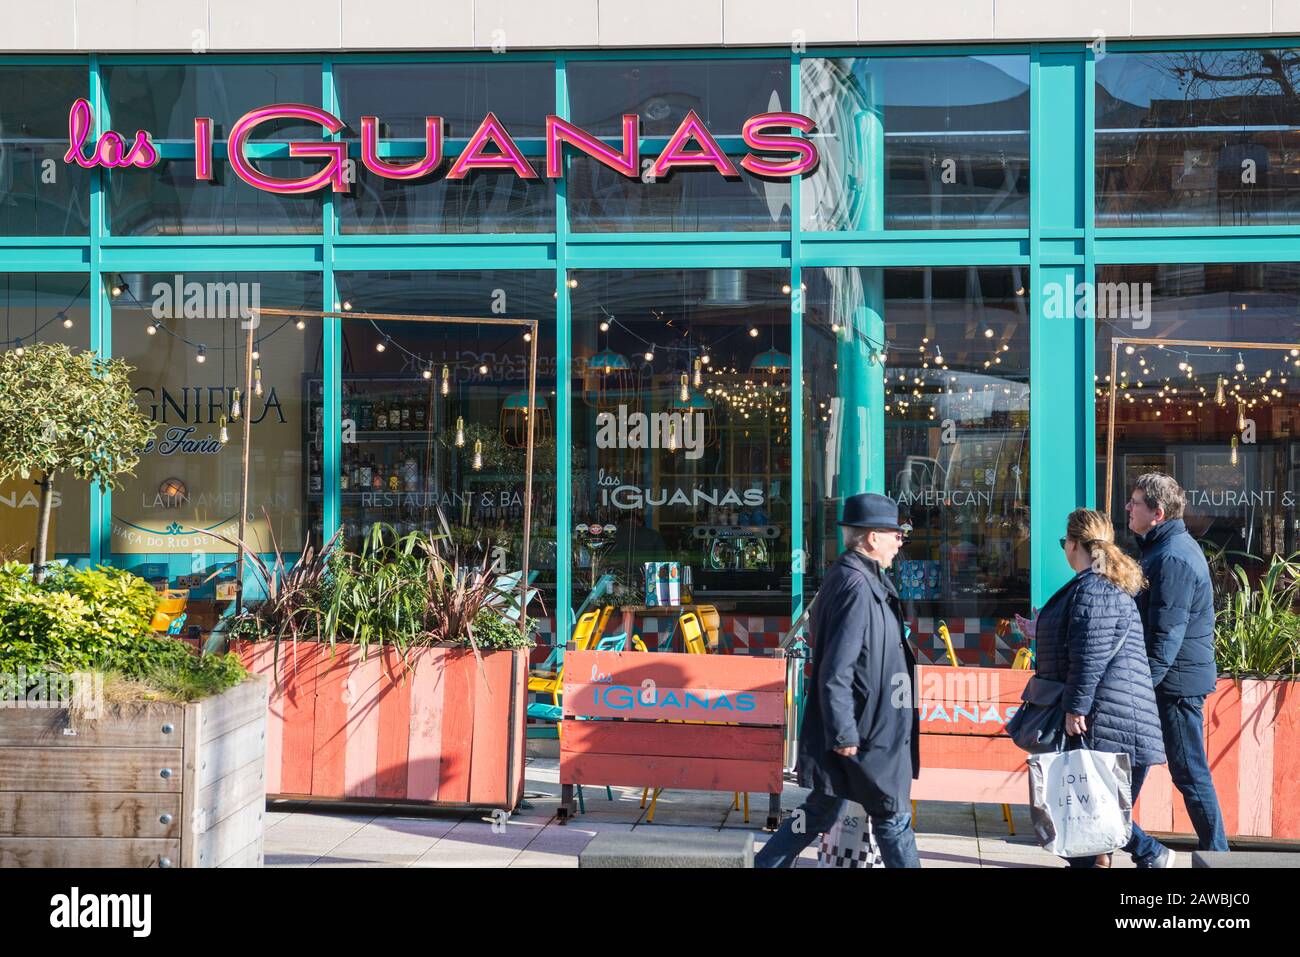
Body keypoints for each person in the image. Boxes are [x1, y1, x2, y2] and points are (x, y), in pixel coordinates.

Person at [756, 492, 921, 868]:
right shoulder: (856, 586)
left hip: (868, 727)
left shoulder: (863, 579)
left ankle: (764, 864)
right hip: (865, 732)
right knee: (893, 818)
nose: (900, 542)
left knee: (821, 810)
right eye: (895, 534)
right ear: (872, 537)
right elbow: (836, 668)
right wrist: (845, 733)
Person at [1035, 508, 1173, 868]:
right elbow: (1086, 642)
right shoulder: (1099, 586)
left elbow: (1090, 656)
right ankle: (1150, 854)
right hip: (1115, 722)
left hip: (1108, 725)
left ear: (1074, 544)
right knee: (1095, 826)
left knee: (1093, 821)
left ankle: (1153, 853)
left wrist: (1075, 708)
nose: (1065, 549)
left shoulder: (1095, 589)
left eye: (1064, 542)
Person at [1126, 473, 1229, 853]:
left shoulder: (1172, 557)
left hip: (1175, 685)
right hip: (1166, 681)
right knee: (1132, 765)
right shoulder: (1162, 549)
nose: (1128, 507)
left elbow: (1166, 635)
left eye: (1135, 502)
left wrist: (1140, 687)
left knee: (1188, 771)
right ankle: (1105, 842)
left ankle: (1218, 856)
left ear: (1158, 513)